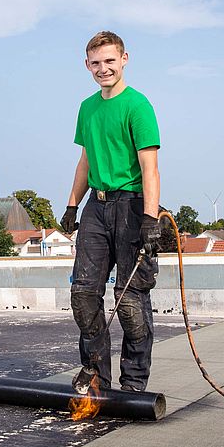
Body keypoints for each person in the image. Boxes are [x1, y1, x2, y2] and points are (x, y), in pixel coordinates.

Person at [60, 31, 161, 393]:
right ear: (87, 65)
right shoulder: (87, 108)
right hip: (96, 207)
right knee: (85, 294)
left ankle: (133, 385)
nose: (103, 68)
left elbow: (150, 167)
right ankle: (96, 378)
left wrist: (150, 219)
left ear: (124, 59)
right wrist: (72, 204)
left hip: (132, 206)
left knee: (130, 299)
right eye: (96, 63)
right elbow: (86, 160)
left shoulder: (138, 106)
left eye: (110, 61)